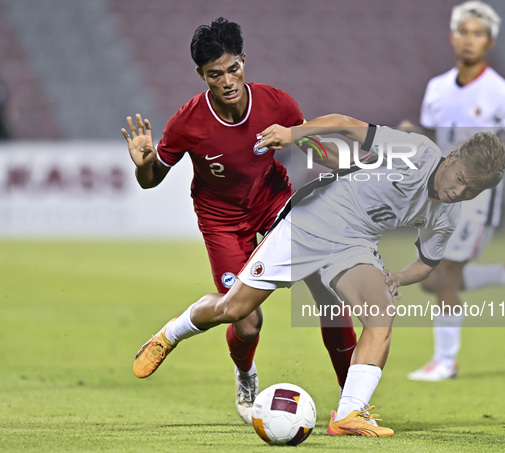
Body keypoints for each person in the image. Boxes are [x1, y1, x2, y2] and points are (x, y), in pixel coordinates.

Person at [132, 113, 505, 436]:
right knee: (235, 310)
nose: (459, 191)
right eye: (460, 178)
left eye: (472, 190)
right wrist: (293, 134)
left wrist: (398, 277)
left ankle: (348, 414)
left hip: (355, 244)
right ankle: (170, 334)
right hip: (311, 223)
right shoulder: (416, 152)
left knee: (381, 313)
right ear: (452, 156)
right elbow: (346, 125)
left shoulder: (447, 214)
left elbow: (428, 260)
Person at [121, 17, 357, 424]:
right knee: (245, 320)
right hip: (222, 219)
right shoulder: (187, 123)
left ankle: (351, 404)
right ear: (201, 75)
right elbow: (150, 181)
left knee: (330, 295)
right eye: (216, 74)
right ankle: (239, 370)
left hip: (274, 202)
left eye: (234, 69)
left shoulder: (277, 104)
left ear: (244, 61)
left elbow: (314, 147)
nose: (228, 81)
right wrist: (143, 165)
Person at [399, 1, 505, 382]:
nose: (469, 40)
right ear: (452, 36)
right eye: (464, 32)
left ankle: (445, 361)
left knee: (442, 276)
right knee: (431, 280)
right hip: (441, 197)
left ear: (490, 41)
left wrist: (481, 162)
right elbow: (434, 142)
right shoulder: (436, 88)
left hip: (476, 202)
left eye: (478, 33)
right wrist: (415, 135)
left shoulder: (500, 91)